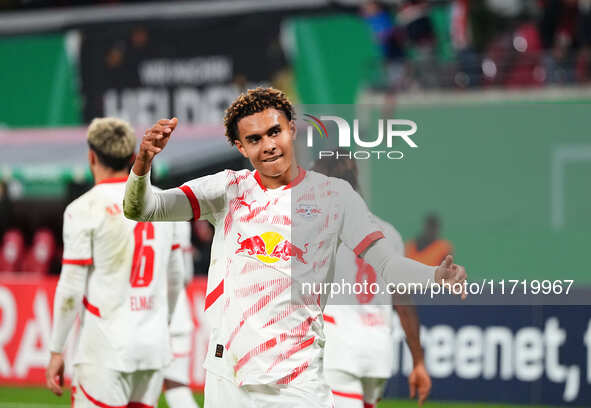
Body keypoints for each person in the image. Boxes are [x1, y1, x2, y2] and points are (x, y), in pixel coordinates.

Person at [123, 87, 467, 406]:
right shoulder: (228, 189)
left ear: (291, 129)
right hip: (228, 372)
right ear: (241, 148)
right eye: (254, 139)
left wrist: (435, 274)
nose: (269, 145)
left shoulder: (335, 196)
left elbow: (388, 265)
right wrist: (143, 165)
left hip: (299, 375)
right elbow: (142, 208)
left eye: (275, 132)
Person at [46, 117, 183, 408]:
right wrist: (162, 324)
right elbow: (175, 277)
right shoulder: (164, 202)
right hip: (152, 349)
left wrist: (56, 349)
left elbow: (71, 288)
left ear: (91, 156)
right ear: (132, 157)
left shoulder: (84, 208)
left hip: (105, 350)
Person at [313, 155, 431, 408]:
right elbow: (403, 303)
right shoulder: (390, 233)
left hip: (339, 347)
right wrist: (418, 361)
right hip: (378, 350)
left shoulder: (322, 228)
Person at [163, 220, 200, 408]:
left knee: (137, 391)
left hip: (143, 314)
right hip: (178, 314)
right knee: (177, 388)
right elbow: (185, 275)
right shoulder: (179, 218)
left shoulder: (128, 209)